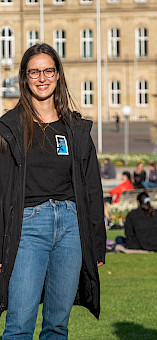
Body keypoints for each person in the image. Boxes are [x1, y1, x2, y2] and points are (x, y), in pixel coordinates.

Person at [0, 43, 106, 339]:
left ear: (58, 75)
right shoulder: (8, 128)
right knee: (19, 324)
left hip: (70, 228)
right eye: (34, 72)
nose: (42, 78)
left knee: (57, 325)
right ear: (24, 77)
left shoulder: (75, 128)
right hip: (27, 229)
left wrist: (96, 241)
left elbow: (92, 188)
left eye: (48, 70)